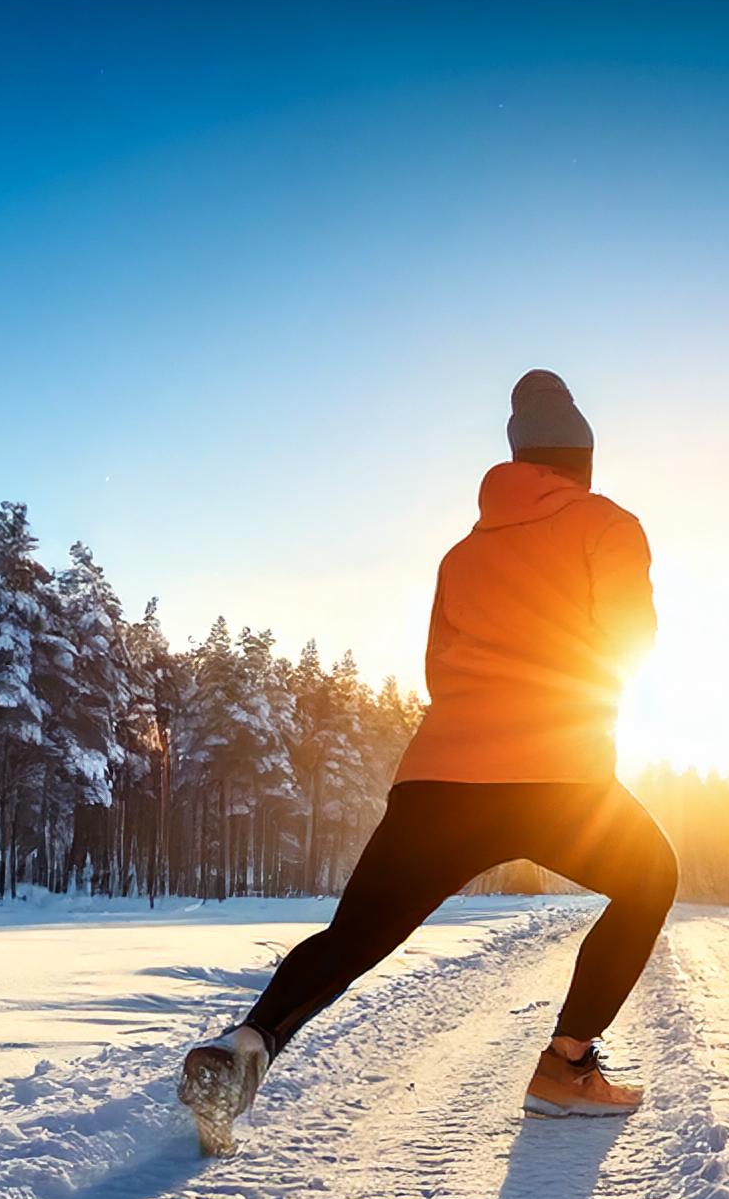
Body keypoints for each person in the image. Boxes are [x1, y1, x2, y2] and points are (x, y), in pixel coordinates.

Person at [179, 370, 678, 1153]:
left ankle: (247, 1048)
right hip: (561, 775)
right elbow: (631, 640)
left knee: (355, 936)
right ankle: (566, 1066)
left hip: (442, 777)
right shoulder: (606, 523)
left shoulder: (463, 553)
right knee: (651, 878)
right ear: (581, 458)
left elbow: (439, 668)